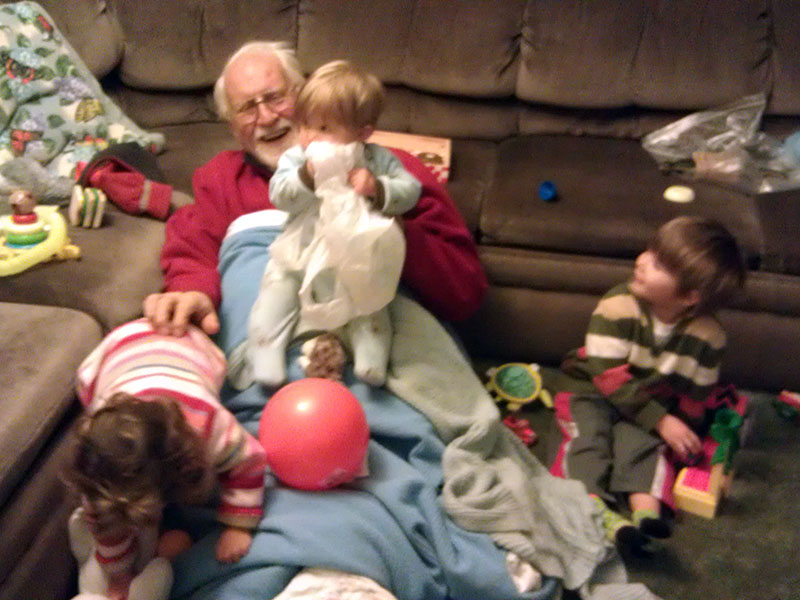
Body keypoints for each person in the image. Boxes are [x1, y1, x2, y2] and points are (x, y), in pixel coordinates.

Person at [143, 41, 487, 338]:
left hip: (377, 333)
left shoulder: (391, 171)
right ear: (233, 126)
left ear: (306, 96)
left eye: (276, 97)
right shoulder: (221, 178)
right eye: (247, 108)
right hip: (272, 342)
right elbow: (193, 249)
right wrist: (192, 291)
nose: (266, 117)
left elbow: (465, 293)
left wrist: (389, 231)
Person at [548, 215, 746, 554]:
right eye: (650, 251)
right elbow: (607, 377)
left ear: (689, 297)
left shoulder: (709, 335)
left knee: (644, 445)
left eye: (658, 264)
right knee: (588, 439)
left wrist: (687, 429)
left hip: (650, 398)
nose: (641, 260)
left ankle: (645, 515)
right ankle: (593, 508)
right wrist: (662, 420)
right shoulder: (617, 307)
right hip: (590, 388)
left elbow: (696, 391)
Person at [63, 318, 268, 599]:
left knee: (219, 364)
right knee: (87, 382)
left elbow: (250, 460)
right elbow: (103, 523)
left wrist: (238, 525)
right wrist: (120, 575)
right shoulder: (97, 472)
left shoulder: (209, 425)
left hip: (189, 345)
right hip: (113, 352)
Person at [247, 59, 421, 387]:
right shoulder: (298, 158)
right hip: (301, 250)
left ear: (362, 133)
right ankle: (266, 348)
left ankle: (371, 355)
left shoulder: (375, 159)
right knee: (276, 289)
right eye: (305, 125)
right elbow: (280, 195)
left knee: (371, 299)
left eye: (324, 129)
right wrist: (306, 176)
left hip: (355, 254)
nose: (309, 137)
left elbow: (410, 191)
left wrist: (377, 187)